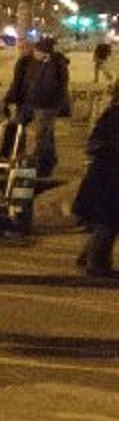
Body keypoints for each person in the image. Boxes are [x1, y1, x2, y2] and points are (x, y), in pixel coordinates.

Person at [3, 37, 72, 179]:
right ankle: (14, 157)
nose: (22, 51)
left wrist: (40, 103)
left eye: (25, 48)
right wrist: (9, 100)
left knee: (43, 135)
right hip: (30, 103)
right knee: (15, 127)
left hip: (45, 105)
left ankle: (44, 165)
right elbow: (18, 84)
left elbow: (50, 87)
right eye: (20, 47)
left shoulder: (54, 64)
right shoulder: (28, 62)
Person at [73, 80, 119, 279]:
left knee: (107, 219)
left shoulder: (112, 113)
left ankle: (89, 255)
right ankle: (97, 263)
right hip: (110, 176)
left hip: (105, 174)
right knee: (109, 220)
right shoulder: (115, 116)